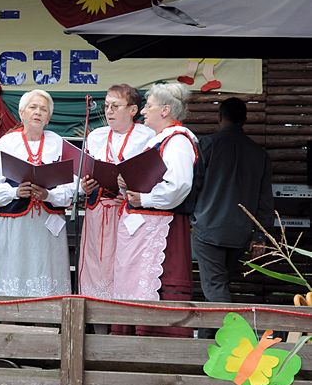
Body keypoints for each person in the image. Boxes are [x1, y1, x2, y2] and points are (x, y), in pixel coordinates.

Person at [113, 82, 198, 337]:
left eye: (148, 106)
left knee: (155, 284)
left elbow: (179, 184)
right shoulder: (159, 140)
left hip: (161, 227)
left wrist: (144, 199)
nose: (142, 112)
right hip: (143, 226)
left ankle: (154, 340)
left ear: (165, 110)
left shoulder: (178, 141)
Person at [0, 89, 74, 296]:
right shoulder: (7, 144)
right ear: (22, 113)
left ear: (49, 117)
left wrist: (49, 195)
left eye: (43, 109)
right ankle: (14, 321)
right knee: (16, 269)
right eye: (33, 107)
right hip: (16, 225)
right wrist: (15, 192)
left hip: (47, 226)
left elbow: (72, 186)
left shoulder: (58, 143)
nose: (37, 112)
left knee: (46, 270)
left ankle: (47, 320)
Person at [193, 97, 273, 327]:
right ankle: (211, 341)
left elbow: (194, 186)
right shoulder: (259, 154)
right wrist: (260, 236)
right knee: (221, 284)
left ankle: (230, 343)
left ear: (220, 117)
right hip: (241, 233)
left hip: (208, 229)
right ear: (245, 119)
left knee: (215, 287)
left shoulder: (207, 145)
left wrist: (191, 217)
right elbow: (265, 200)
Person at [79, 85, 154, 299]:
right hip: (99, 212)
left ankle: (122, 326)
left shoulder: (146, 136)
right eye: (106, 106)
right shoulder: (96, 136)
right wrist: (85, 184)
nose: (109, 110)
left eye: (115, 106)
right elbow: (86, 169)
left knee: (126, 265)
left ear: (132, 110)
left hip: (129, 212)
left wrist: (131, 182)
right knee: (97, 267)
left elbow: (153, 174)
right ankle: (98, 323)